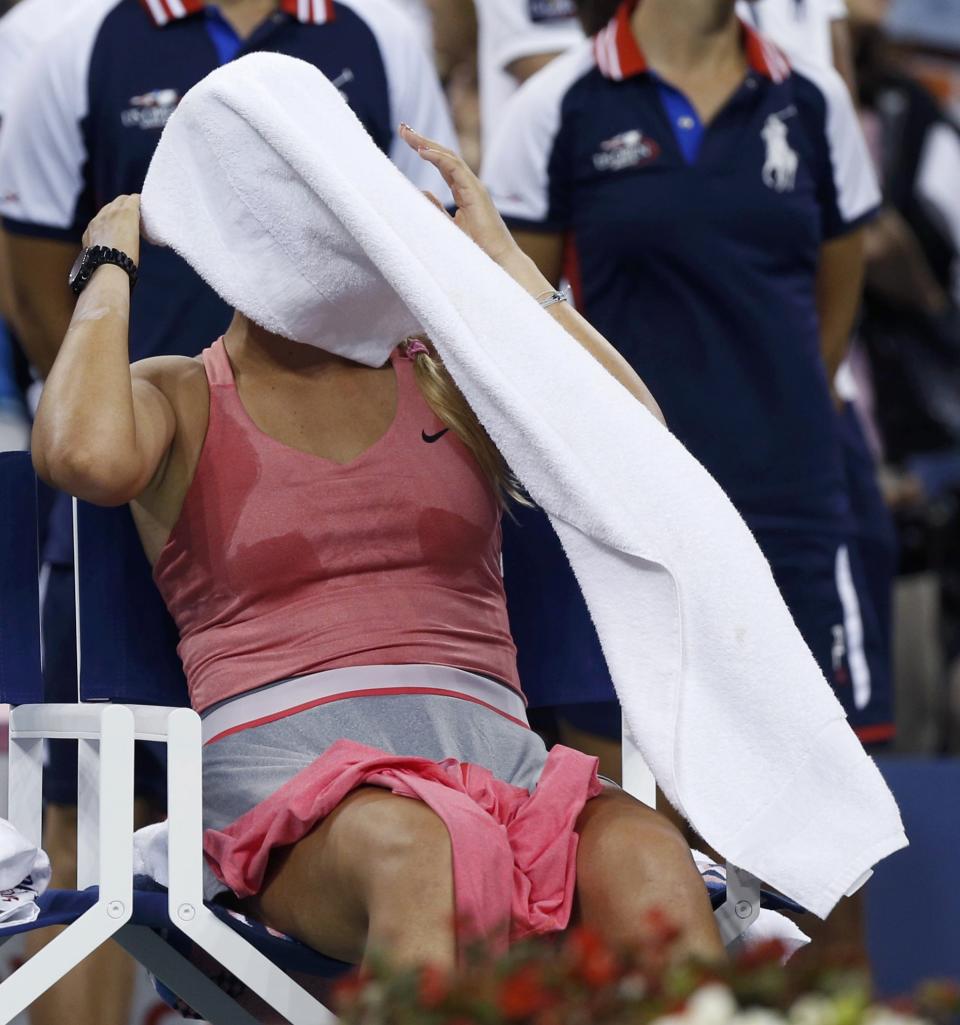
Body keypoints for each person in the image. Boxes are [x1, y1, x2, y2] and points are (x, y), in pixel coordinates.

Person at [30, 121, 726, 970]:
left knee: (652, 860)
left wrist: (505, 264)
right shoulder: (180, 391)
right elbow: (77, 452)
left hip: (498, 763)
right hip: (293, 791)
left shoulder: (447, 373)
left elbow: (637, 450)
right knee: (420, 847)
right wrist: (111, 266)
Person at [0, 1, 457, 1021]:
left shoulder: (381, 36)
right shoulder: (74, 41)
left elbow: (424, 234)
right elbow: (35, 279)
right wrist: (137, 384)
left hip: (351, 471)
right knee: (93, 821)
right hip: (143, 464)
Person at [485, 0, 888, 770]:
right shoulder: (557, 105)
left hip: (788, 504)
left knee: (817, 825)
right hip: (625, 516)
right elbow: (514, 317)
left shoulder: (813, 97)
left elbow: (831, 310)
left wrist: (773, 416)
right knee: (641, 823)